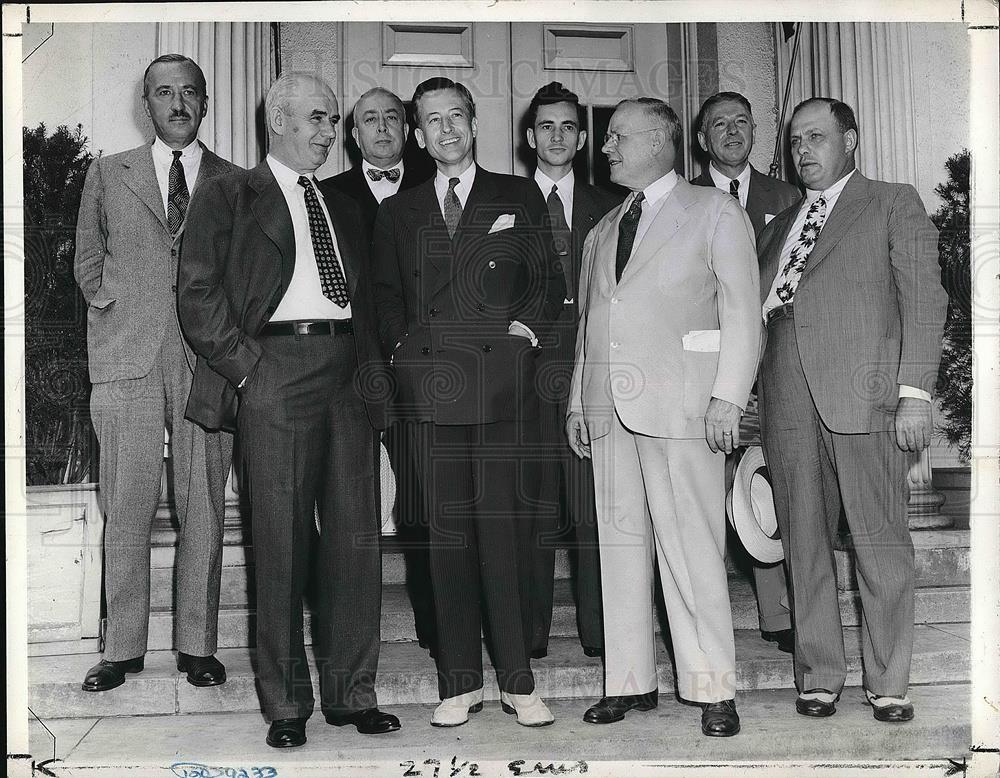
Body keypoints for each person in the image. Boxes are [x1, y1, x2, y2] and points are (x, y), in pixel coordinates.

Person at [177, 72, 399, 749]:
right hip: (273, 372)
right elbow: (197, 293)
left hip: (345, 376)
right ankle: (286, 706)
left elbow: (364, 305)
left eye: (333, 120)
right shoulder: (228, 194)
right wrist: (247, 374)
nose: (331, 132)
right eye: (318, 118)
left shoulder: (340, 202)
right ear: (277, 120)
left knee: (356, 541)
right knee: (280, 545)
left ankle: (352, 694)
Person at [371, 76, 563, 728]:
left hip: (501, 389)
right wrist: (403, 351)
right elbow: (385, 299)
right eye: (433, 120)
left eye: (457, 116)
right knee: (444, 542)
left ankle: (518, 681)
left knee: (504, 540)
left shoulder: (516, 195)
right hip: (430, 396)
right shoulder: (399, 211)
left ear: (473, 125)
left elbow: (547, 284)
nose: (446, 129)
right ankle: (458, 683)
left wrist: (523, 334)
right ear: (419, 137)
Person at [567, 97, 760, 737]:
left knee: (691, 549)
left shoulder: (714, 210)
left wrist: (728, 397)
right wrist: (578, 399)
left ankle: (712, 686)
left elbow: (741, 311)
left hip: (684, 408)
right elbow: (590, 326)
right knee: (619, 550)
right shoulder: (603, 228)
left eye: (618, 137)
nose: (607, 148)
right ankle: (629, 682)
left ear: (660, 141)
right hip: (608, 410)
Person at [756, 97, 947, 723]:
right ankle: (818, 674)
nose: (802, 149)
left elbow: (924, 297)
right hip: (786, 398)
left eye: (817, 136)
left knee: (880, 543)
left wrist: (914, 393)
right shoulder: (779, 225)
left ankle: (889, 682)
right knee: (804, 542)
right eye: (795, 140)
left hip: (866, 396)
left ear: (852, 140)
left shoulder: (892, 202)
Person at [74, 53, 237, 694]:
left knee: (203, 506)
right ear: (147, 105)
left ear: (204, 102)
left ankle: (197, 645)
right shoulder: (108, 173)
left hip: (205, 360)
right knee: (127, 504)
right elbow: (88, 254)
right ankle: (122, 649)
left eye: (188, 93)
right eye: (164, 93)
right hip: (126, 357)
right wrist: (107, 303)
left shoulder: (233, 181)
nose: (177, 103)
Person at [325, 86, 435, 655]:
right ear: (354, 133)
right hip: (347, 370)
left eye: (393, 117)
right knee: (349, 502)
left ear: (409, 127)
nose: (383, 128)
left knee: (422, 498)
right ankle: (350, 632)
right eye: (371, 119)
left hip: (416, 366)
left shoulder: (433, 188)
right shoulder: (325, 193)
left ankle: (435, 623)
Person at [691, 91, 801, 654]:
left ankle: (777, 612)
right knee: (704, 490)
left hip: (771, 366)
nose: (732, 132)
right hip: (701, 364)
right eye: (719, 125)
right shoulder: (683, 199)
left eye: (741, 122)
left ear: (755, 131)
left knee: (768, 483)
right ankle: (697, 619)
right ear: (701, 138)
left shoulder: (789, 198)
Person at [523, 81, 621, 659]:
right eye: (546, 127)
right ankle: (530, 633)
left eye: (567, 127)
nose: (557, 136)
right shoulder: (502, 201)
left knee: (592, 503)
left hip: (594, 367)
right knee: (531, 500)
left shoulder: (611, 206)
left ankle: (601, 634)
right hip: (526, 369)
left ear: (582, 137)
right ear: (530, 136)